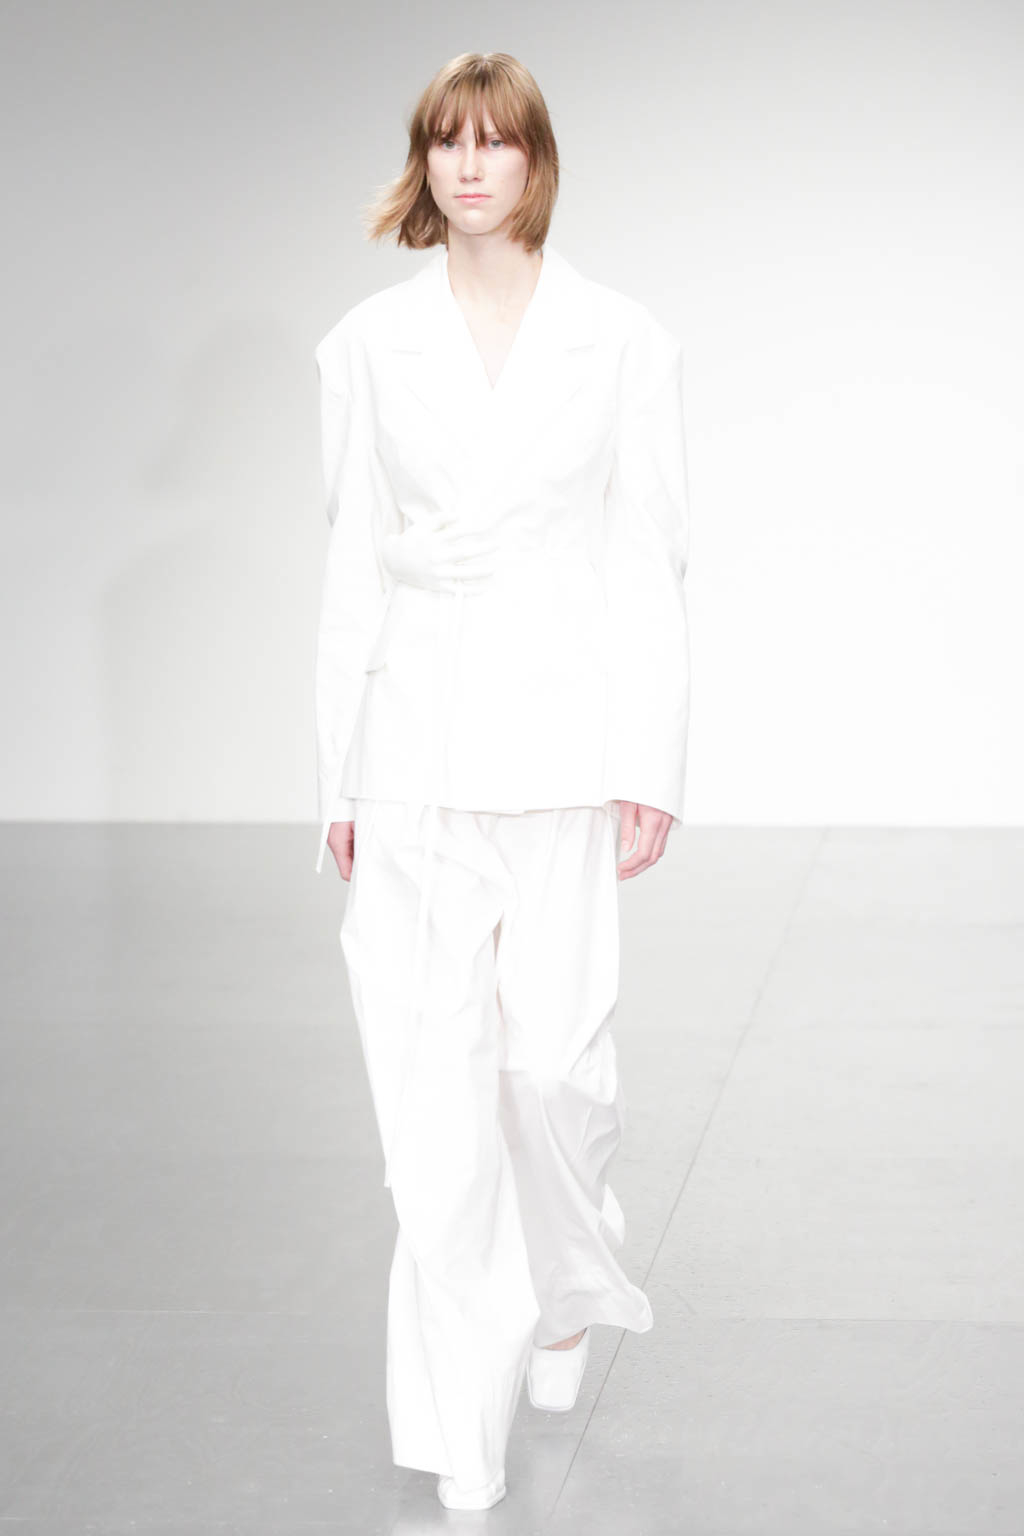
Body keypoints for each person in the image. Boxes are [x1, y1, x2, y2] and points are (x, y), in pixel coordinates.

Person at [311, 51, 690, 1512]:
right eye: (447, 144)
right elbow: (349, 564)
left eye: (496, 143)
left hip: (562, 747)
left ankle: (571, 1279)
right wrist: (335, 774)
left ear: (536, 163)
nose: (470, 168)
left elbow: (648, 558)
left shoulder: (623, 341)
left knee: (551, 1075)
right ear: (426, 164)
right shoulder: (365, 346)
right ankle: (457, 1433)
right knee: (433, 1108)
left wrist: (651, 758)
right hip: (413, 749)